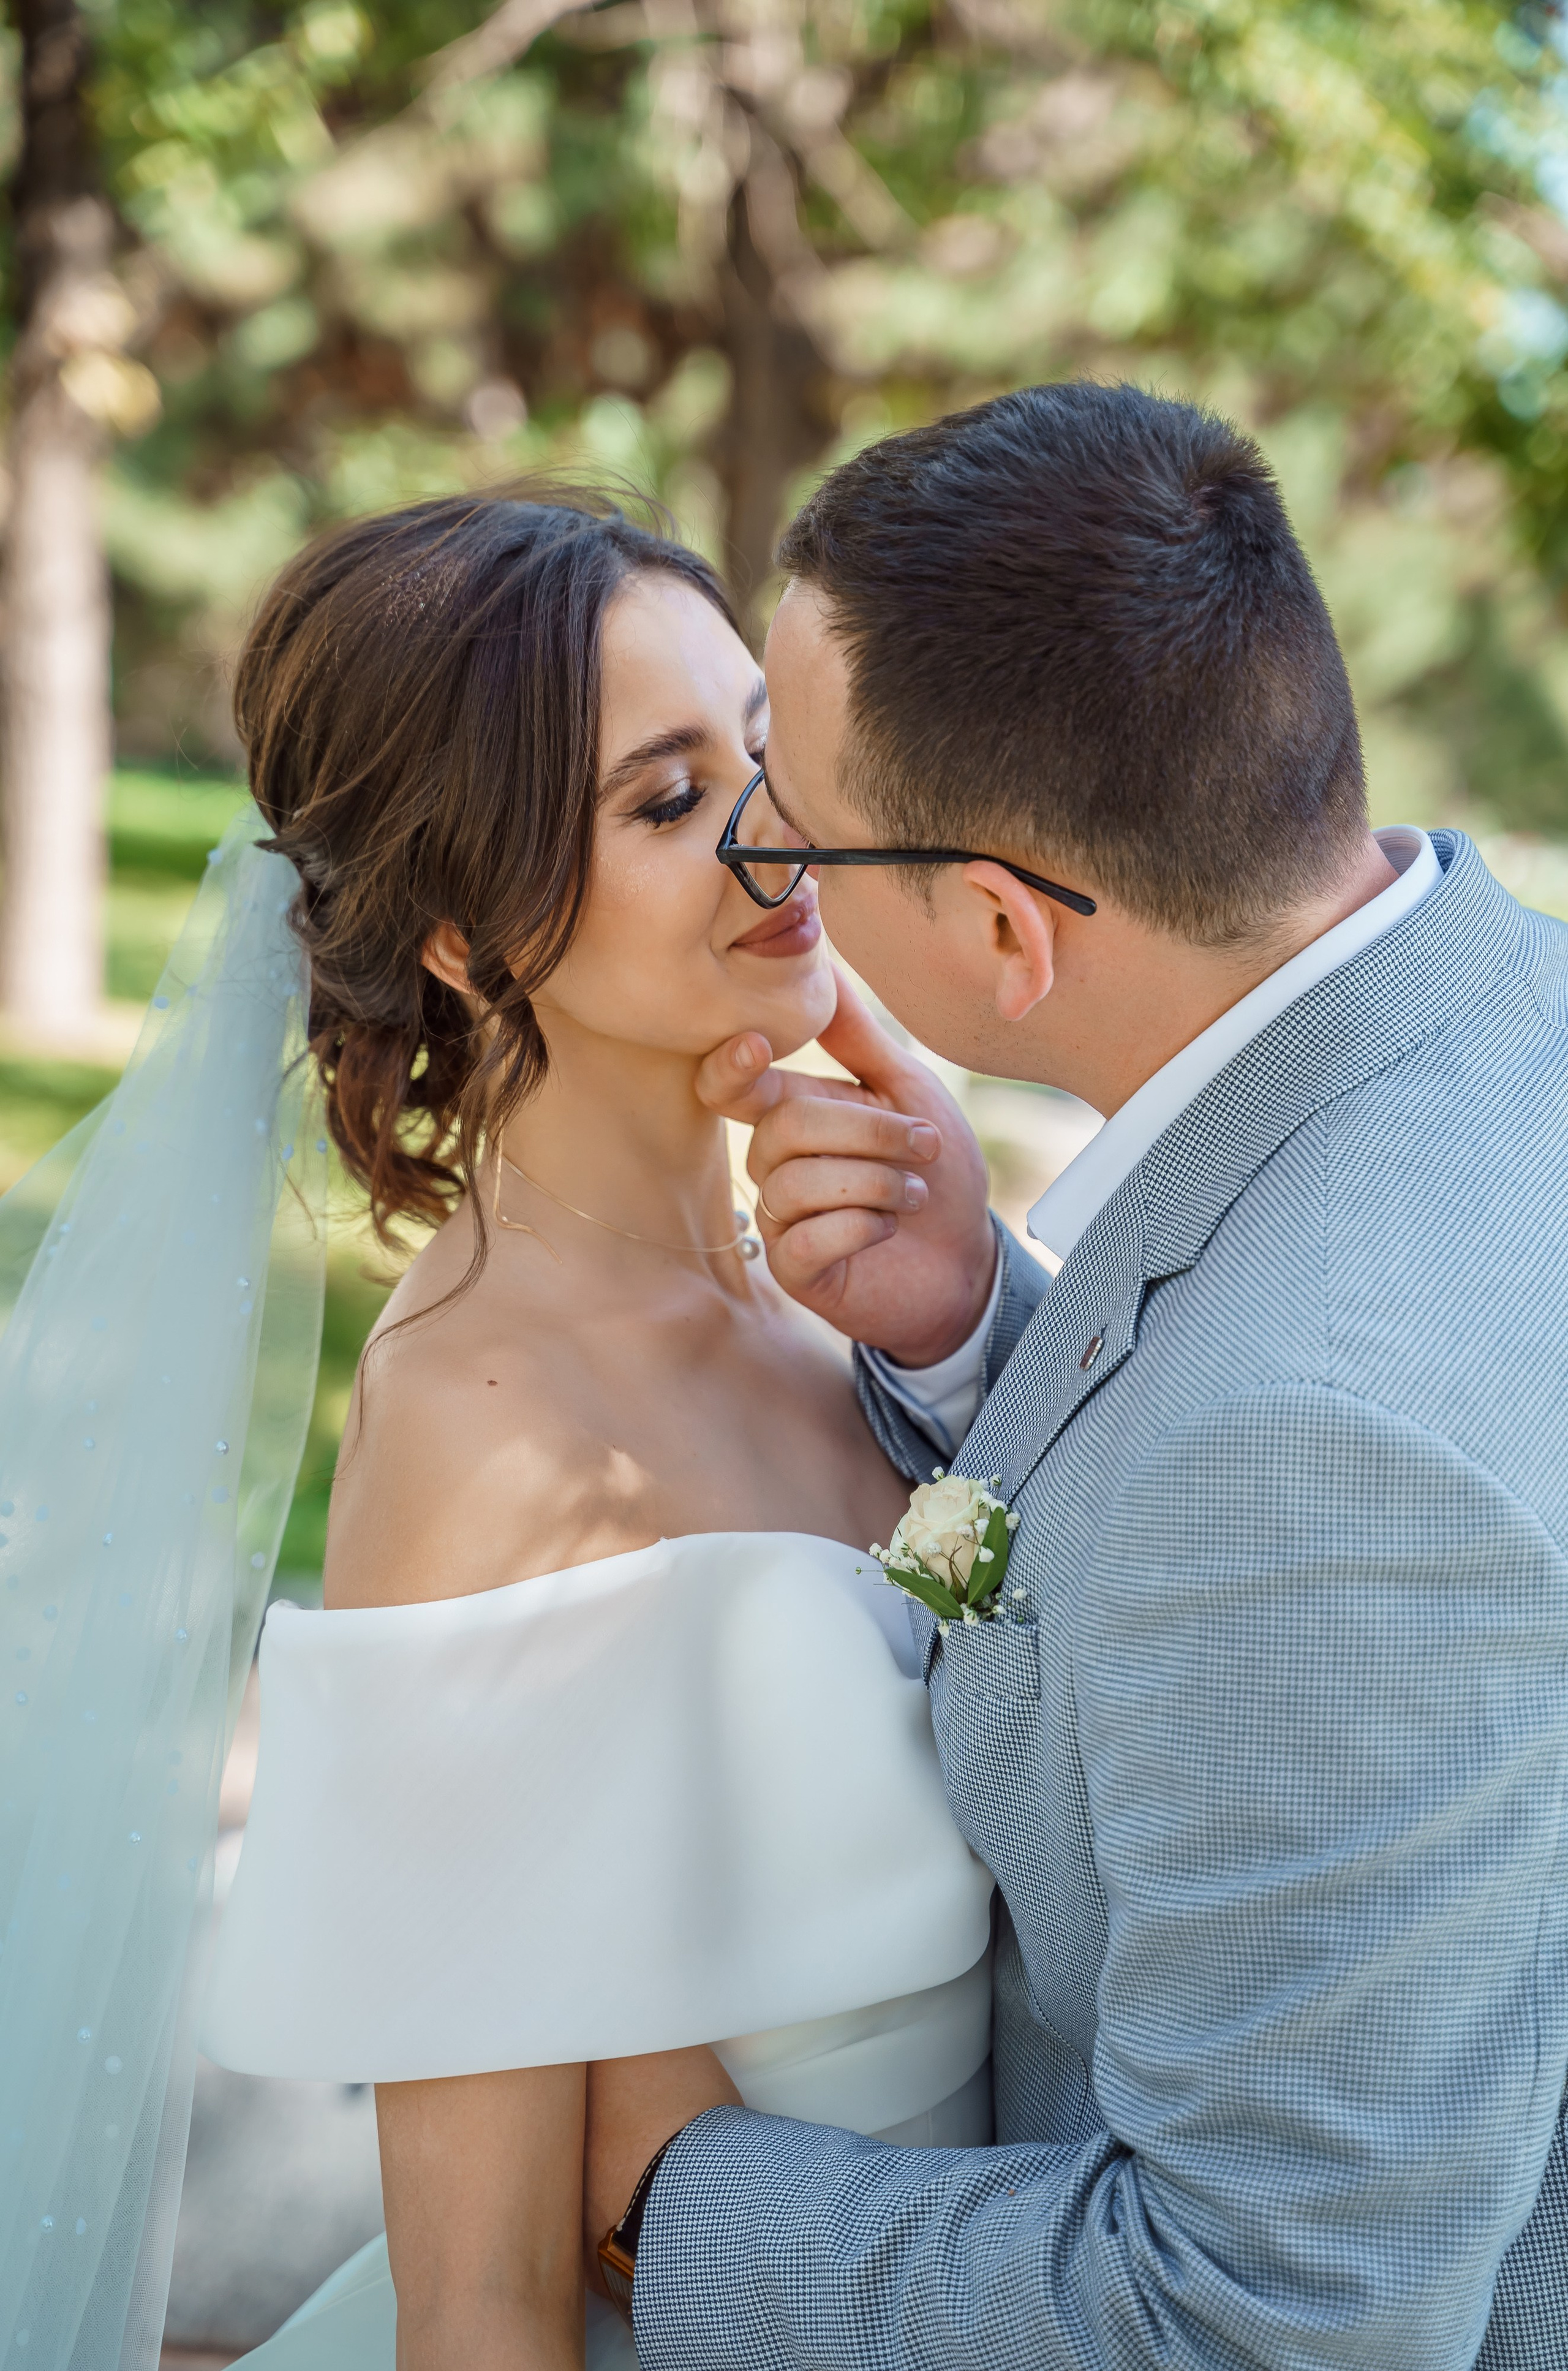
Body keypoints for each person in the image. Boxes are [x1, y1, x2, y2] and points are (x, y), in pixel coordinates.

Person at [582, 382, 1568, 2370]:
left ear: (1004, 932)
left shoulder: (1304, 1456)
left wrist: (671, 2195)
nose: (768, 861)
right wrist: (978, 1330)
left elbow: (1270, 2322)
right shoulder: (1504, 1012)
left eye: (795, 813)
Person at [184, 490, 998, 2371]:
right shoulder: (486, 1419)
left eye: (766, 758)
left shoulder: (866, 1276)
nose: (775, 840)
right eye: (661, 801)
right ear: (466, 938)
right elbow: (482, 2296)